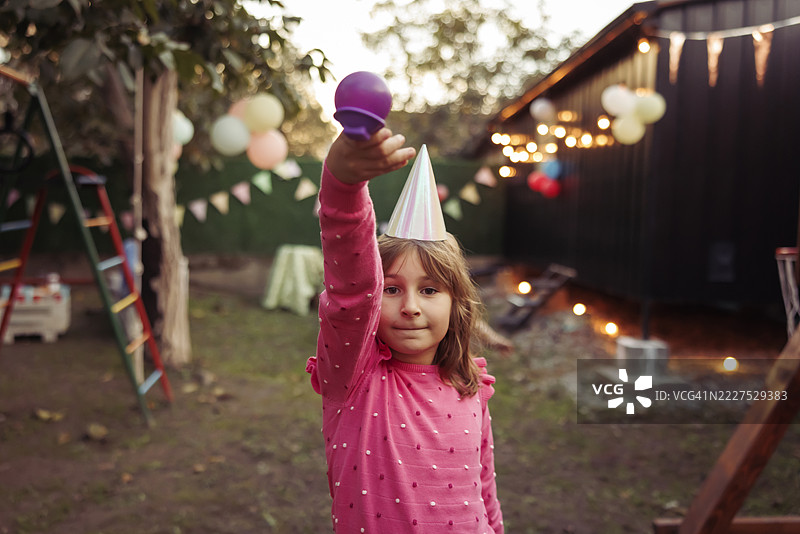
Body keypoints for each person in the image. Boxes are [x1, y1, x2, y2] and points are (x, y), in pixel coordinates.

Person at [306, 128, 504, 533]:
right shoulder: (353, 377)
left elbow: (484, 489)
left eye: (429, 289)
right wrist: (343, 187)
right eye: (393, 289)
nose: (411, 307)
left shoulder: (471, 386)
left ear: (456, 304)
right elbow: (352, 293)